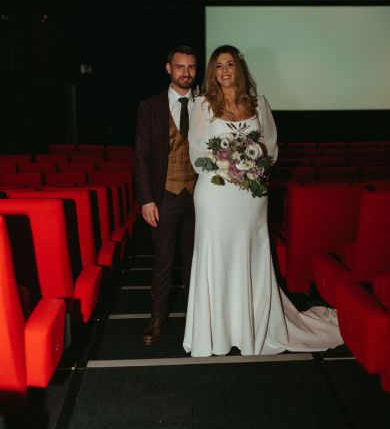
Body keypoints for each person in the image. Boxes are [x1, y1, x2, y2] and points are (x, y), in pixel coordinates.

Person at [183, 45, 343, 356]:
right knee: (216, 254)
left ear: (238, 69)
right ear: (212, 72)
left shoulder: (258, 104)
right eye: (218, 66)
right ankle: (214, 333)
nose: (224, 71)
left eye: (230, 64)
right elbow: (197, 152)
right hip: (215, 195)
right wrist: (228, 166)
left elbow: (270, 148)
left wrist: (252, 167)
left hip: (250, 197)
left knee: (251, 255)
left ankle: (251, 329)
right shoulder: (202, 105)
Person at [135, 45, 197, 344]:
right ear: (168, 68)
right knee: (162, 262)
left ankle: (197, 319)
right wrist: (146, 199)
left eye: (191, 67)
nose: (186, 73)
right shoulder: (150, 106)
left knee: (197, 262)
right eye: (180, 67)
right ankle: (157, 320)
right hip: (165, 197)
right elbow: (142, 158)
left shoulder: (208, 105)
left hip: (202, 197)